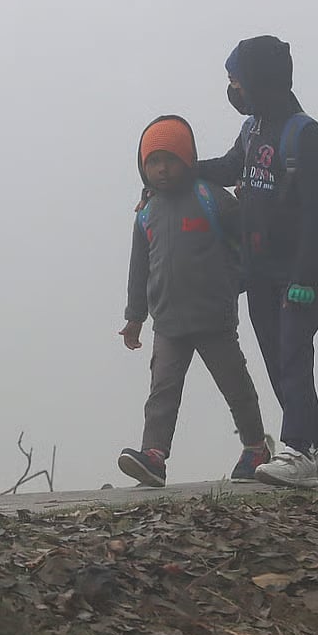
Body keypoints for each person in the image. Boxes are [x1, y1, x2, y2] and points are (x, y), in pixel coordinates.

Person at [198, 35, 318, 488]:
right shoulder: (253, 130)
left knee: (295, 356)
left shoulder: (304, 133)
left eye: (235, 80)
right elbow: (228, 168)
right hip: (259, 273)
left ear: (258, 81)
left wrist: (305, 277)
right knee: (280, 363)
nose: (231, 89)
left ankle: (297, 449)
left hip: (297, 275)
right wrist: (184, 168)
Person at [118, 115, 271, 487]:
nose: (162, 169)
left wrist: (243, 280)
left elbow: (250, 236)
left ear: (188, 160)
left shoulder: (210, 197)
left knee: (235, 385)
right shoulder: (147, 214)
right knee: (162, 391)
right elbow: (139, 269)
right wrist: (134, 317)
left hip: (213, 318)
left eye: (170, 159)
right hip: (167, 322)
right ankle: (154, 456)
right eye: (153, 162)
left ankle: (255, 448)